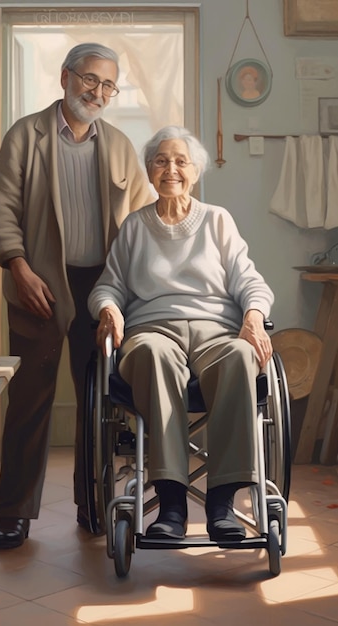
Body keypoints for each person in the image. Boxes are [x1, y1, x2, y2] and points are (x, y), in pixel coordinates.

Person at [0, 42, 154, 549]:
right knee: (29, 401)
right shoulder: (26, 135)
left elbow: (143, 218)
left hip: (101, 290)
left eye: (107, 85)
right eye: (89, 80)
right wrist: (18, 267)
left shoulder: (120, 144)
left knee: (99, 401)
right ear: (65, 78)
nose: (97, 92)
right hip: (38, 282)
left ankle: (93, 504)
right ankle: (13, 514)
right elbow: (1, 209)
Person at [88, 125, 274, 542]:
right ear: (150, 171)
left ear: (195, 171)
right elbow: (109, 284)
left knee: (241, 357)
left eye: (180, 161)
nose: (170, 168)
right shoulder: (135, 227)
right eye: (160, 160)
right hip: (152, 330)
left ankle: (221, 504)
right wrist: (109, 308)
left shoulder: (217, 220)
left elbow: (251, 282)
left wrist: (254, 316)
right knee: (153, 356)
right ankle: (171, 505)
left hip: (216, 331)